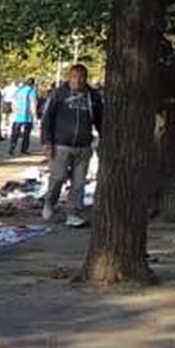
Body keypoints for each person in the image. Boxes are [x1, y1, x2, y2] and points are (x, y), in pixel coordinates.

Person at [40, 62, 103, 227]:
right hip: (61, 144)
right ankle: (49, 203)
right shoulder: (59, 94)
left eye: (82, 77)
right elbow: (47, 118)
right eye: (75, 77)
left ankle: (73, 212)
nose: (78, 81)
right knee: (58, 177)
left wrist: (103, 137)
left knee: (79, 182)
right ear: (70, 78)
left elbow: (99, 119)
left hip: (83, 145)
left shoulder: (92, 96)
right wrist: (47, 142)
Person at [9, 78, 39, 155]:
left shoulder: (19, 90)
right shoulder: (31, 91)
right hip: (27, 116)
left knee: (15, 133)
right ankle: (24, 149)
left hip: (18, 115)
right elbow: (33, 104)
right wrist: (34, 115)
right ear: (32, 84)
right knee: (26, 134)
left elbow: (13, 102)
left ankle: (12, 147)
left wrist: (14, 111)